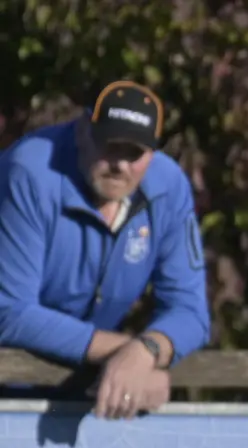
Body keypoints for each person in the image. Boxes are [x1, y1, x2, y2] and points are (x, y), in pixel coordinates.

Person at [0, 80, 209, 418]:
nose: (120, 165)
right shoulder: (30, 174)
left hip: (83, 391)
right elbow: (9, 312)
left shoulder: (169, 187)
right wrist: (126, 352)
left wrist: (149, 349)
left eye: (135, 153)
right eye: (110, 146)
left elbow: (191, 311)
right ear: (83, 130)